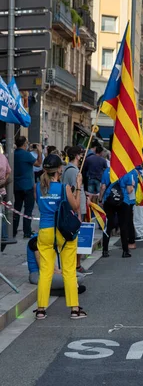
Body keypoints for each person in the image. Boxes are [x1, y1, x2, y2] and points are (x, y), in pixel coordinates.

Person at [33, 154, 86, 320]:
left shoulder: (38, 187)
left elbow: (40, 206)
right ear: (59, 171)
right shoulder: (64, 188)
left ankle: (41, 309)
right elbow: (76, 206)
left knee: (45, 271)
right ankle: (74, 309)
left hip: (45, 231)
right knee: (69, 271)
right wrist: (78, 186)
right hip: (63, 232)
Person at [62, 146, 92, 275]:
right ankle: (77, 265)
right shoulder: (74, 171)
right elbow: (75, 192)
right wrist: (79, 212)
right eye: (80, 155)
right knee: (78, 238)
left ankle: (74, 265)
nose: (81, 158)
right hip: (76, 208)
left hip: (75, 207)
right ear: (77, 156)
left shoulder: (68, 169)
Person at [99, 167, 136, 258]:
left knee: (108, 225)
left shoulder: (107, 171)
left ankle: (105, 251)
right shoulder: (126, 171)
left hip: (109, 200)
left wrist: (100, 198)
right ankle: (125, 251)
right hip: (124, 201)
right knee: (123, 226)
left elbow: (103, 187)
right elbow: (129, 190)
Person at [13, 136, 42, 238]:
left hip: (17, 185)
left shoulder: (13, 154)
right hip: (28, 185)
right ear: (24, 144)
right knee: (28, 210)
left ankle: (13, 231)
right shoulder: (27, 155)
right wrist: (39, 152)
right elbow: (38, 164)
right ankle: (27, 231)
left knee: (17, 208)